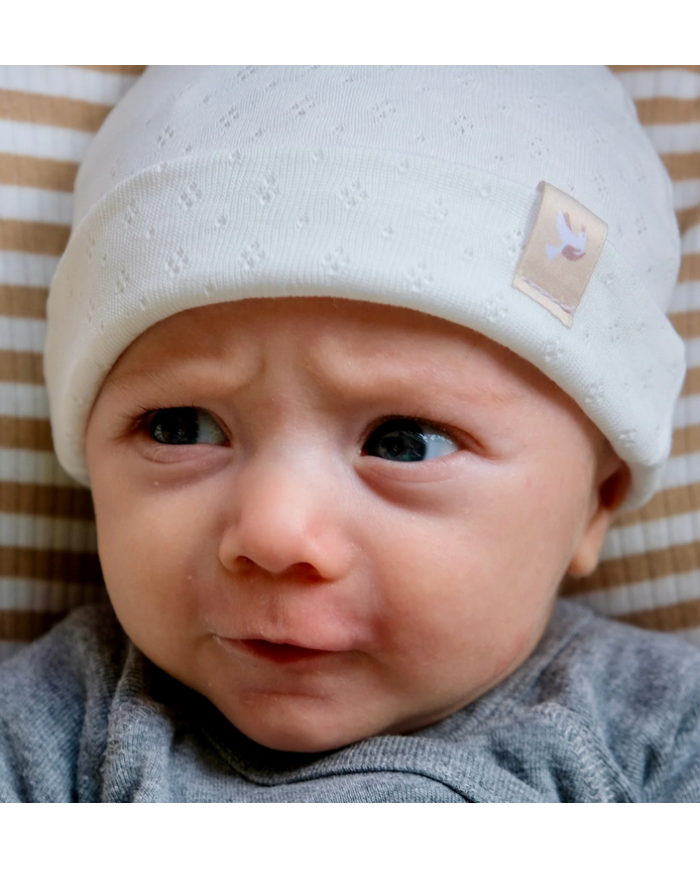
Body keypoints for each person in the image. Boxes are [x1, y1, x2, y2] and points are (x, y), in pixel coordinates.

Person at [1, 65, 698, 802]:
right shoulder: (57, 724)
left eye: (404, 442)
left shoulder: (656, 727)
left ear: (597, 502)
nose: (274, 533)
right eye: (181, 428)